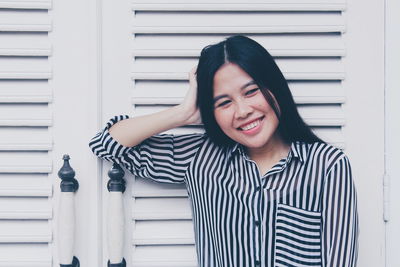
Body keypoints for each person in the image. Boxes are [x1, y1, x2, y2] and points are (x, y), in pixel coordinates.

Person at [89, 35, 358, 267]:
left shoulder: (328, 166)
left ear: (274, 88)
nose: (242, 112)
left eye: (251, 91)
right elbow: (108, 144)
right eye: (224, 102)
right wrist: (182, 113)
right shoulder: (200, 158)